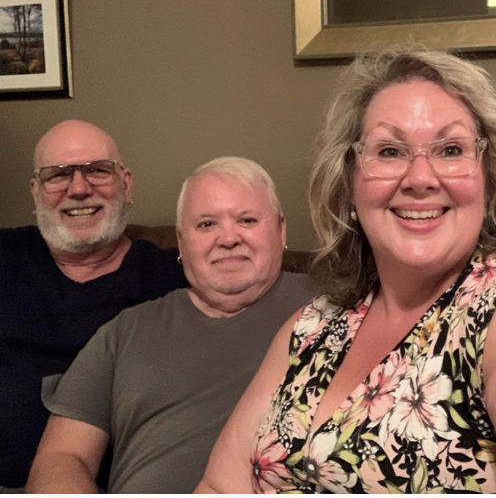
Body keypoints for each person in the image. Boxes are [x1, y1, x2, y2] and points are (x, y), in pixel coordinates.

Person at [196, 49, 496, 493]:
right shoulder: (311, 327)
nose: (420, 178)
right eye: (390, 151)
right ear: (349, 181)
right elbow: (219, 486)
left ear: (488, 178)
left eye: (450, 150)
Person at [25, 157, 318, 493]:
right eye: (206, 224)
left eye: (247, 220)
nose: (228, 238)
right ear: (181, 241)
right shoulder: (125, 331)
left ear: (281, 229)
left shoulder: (335, 306)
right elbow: (62, 456)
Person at [0, 120, 187, 491]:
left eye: (98, 170)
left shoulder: (176, 279)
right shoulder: (5, 257)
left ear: (126, 184)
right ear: (36, 191)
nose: (79, 188)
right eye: (58, 175)